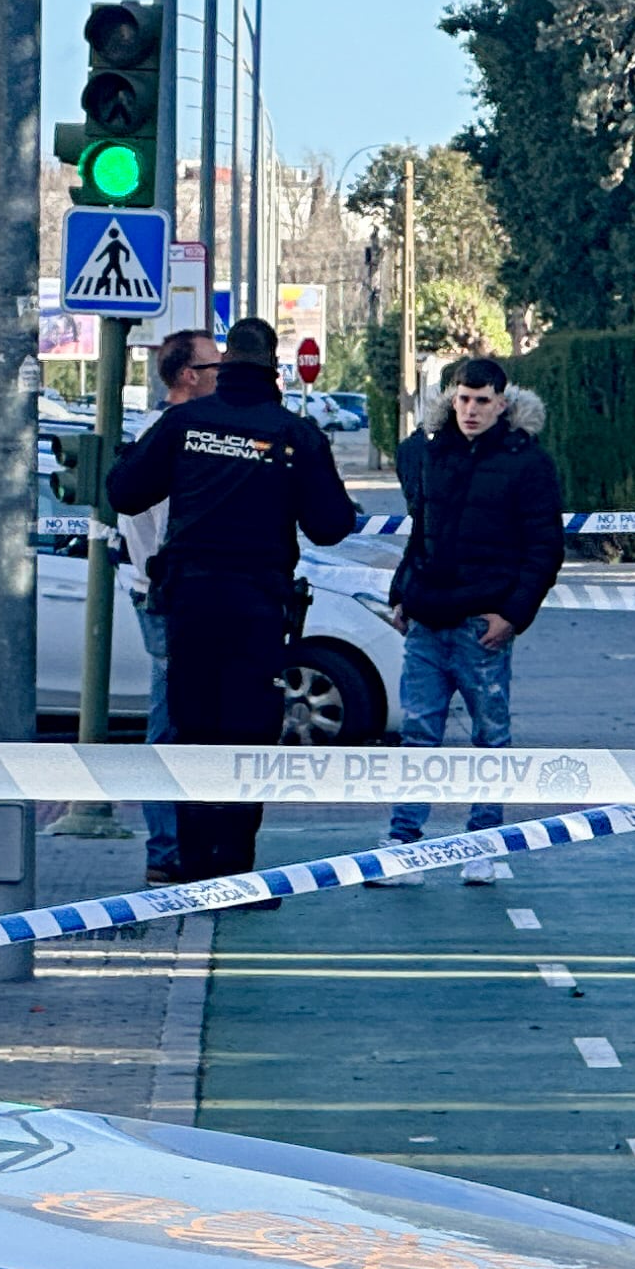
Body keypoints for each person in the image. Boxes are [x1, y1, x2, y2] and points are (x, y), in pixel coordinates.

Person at [108, 315, 362, 886]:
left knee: (191, 729)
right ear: (274, 370)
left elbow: (124, 492)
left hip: (190, 604)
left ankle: (193, 868)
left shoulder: (185, 423)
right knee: (249, 736)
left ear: (224, 368)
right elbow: (331, 526)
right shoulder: (294, 435)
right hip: (256, 608)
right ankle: (236, 871)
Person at [378, 354, 567, 886]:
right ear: (451, 398)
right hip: (427, 618)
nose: (471, 410)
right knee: (418, 733)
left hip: (481, 626)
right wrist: (402, 594)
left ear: (502, 404)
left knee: (490, 735)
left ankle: (484, 844)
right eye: (463, 398)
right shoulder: (431, 454)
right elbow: (423, 530)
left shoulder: (528, 463)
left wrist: (512, 615)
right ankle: (403, 845)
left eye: (483, 400)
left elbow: (544, 546)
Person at [119, 328, 223, 883]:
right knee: (172, 723)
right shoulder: (169, 436)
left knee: (182, 719)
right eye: (213, 367)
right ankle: (168, 849)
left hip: (164, 592)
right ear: (187, 376)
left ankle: (179, 844)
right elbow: (162, 531)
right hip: (168, 597)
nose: (221, 375)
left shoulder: (166, 433)